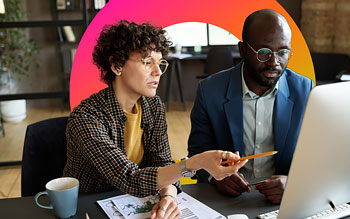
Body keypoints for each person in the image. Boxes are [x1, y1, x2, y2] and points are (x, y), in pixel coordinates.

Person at [63, 20, 247, 219]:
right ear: (117, 66)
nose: (158, 71)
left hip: (133, 204)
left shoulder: (152, 106)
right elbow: (130, 178)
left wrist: (169, 196)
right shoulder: (86, 117)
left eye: (160, 63)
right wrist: (196, 162)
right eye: (147, 62)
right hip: (87, 208)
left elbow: (162, 162)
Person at [188, 9, 313, 204]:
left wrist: (294, 183)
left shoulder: (305, 91)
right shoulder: (210, 91)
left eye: (283, 52)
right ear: (243, 50)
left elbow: (317, 156)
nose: (274, 62)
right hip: (229, 201)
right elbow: (197, 153)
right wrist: (215, 177)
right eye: (263, 52)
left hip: (284, 201)